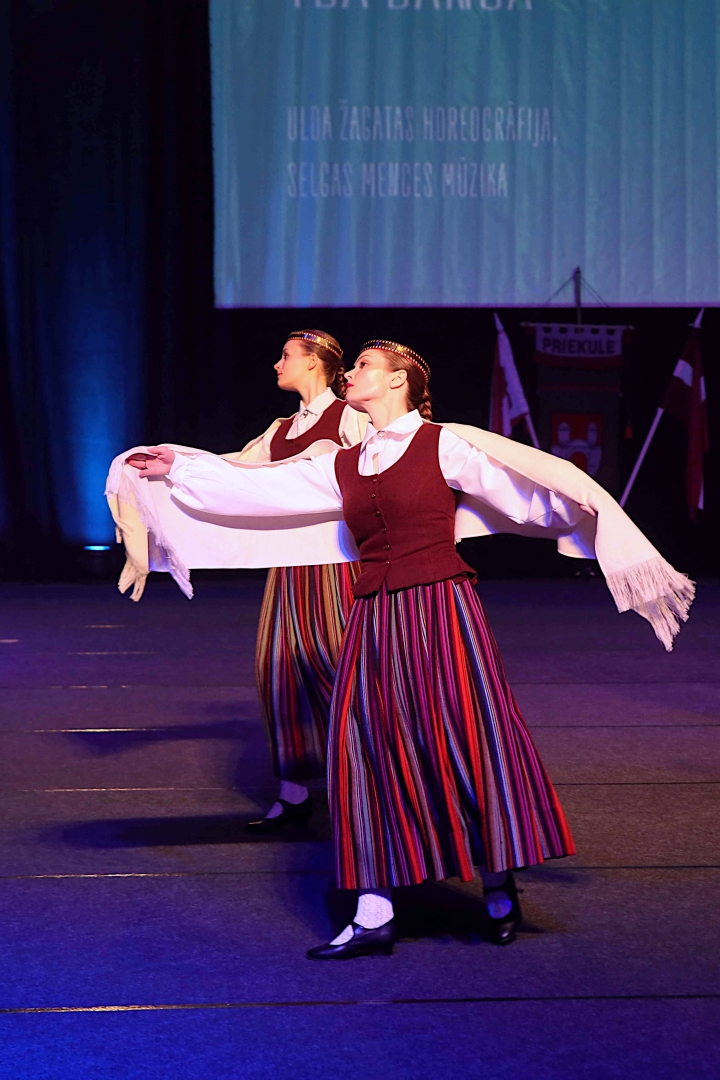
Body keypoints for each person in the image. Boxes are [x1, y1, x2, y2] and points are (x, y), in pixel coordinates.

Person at [129, 339, 692, 959]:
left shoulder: (444, 444)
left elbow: (523, 493)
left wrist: (578, 506)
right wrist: (178, 468)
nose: (352, 373)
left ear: (399, 381)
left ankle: (497, 879)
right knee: (361, 748)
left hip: (441, 609)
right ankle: (374, 912)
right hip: (373, 615)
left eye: (365, 365)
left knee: (464, 735)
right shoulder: (342, 463)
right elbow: (257, 489)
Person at [223, 330, 365, 831]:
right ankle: (294, 793)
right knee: (277, 668)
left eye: (286, 356)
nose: (277, 364)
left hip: (335, 561)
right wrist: (171, 468)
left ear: (313, 363)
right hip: (287, 564)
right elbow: (235, 472)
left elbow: (374, 471)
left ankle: (369, 782)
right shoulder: (280, 428)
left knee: (339, 665)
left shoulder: (349, 416)